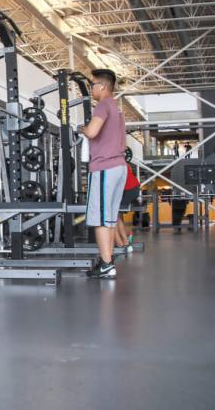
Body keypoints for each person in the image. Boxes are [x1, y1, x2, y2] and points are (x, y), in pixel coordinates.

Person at [78, 69, 126, 279]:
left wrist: (81, 128)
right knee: (109, 219)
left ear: (103, 86)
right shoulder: (116, 108)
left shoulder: (103, 105)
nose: (91, 89)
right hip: (119, 167)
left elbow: (92, 132)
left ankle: (106, 263)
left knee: (99, 219)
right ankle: (107, 262)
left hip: (105, 168)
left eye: (93, 85)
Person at [114, 163, 139, 249]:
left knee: (112, 214)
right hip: (134, 188)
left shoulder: (111, 164)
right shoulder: (122, 162)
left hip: (129, 190)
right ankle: (125, 236)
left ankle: (122, 242)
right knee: (117, 213)